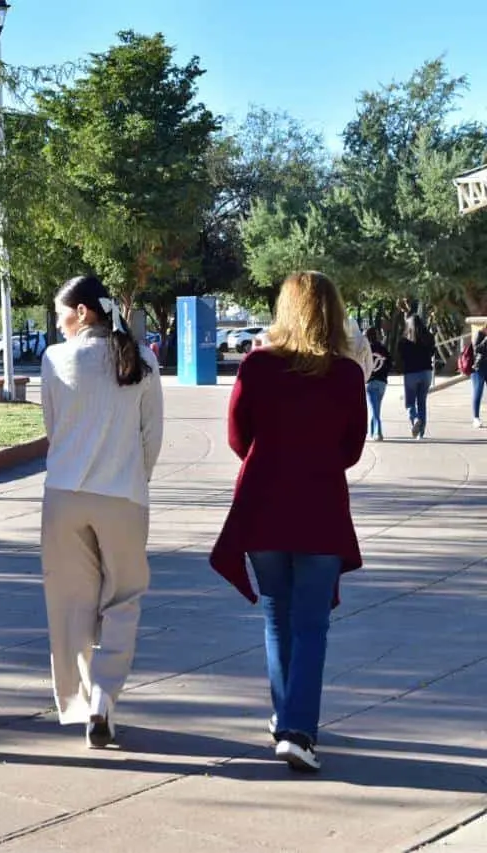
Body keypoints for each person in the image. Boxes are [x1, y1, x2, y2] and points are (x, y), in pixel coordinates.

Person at [211, 271, 366, 773]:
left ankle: (287, 720)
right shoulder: (346, 374)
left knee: (277, 616)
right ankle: (298, 729)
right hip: (320, 505)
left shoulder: (257, 366)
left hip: (264, 504)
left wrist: (272, 457)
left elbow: (238, 437)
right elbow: (352, 448)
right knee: (311, 625)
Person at [39, 275, 163, 749]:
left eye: (61, 314)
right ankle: (104, 697)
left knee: (71, 602)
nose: (58, 324)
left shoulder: (55, 358)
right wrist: (134, 477)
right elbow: (151, 434)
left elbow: (53, 427)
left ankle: (80, 698)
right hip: (123, 496)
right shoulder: (142, 357)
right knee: (123, 599)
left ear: (82, 312)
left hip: (64, 495)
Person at [396, 314, 437, 439]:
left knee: (410, 403)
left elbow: (400, 357)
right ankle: (421, 433)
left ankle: (415, 419)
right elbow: (432, 352)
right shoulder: (429, 337)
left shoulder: (404, 340)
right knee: (422, 402)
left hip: (411, 373)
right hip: (426, 372)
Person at [364, 326, 391, 441]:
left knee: (373, 409)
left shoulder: (366, 349)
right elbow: (389, 364)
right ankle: (372, 432)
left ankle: (378, 432)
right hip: (382, 383)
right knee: (375, 408)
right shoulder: (383, 348)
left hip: (370, 383)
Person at [470, 323, 487, 429]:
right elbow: (476, 349)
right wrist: (486, 340)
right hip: (479, 367)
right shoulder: (479, 334)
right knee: (478, 391)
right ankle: (476, 418)